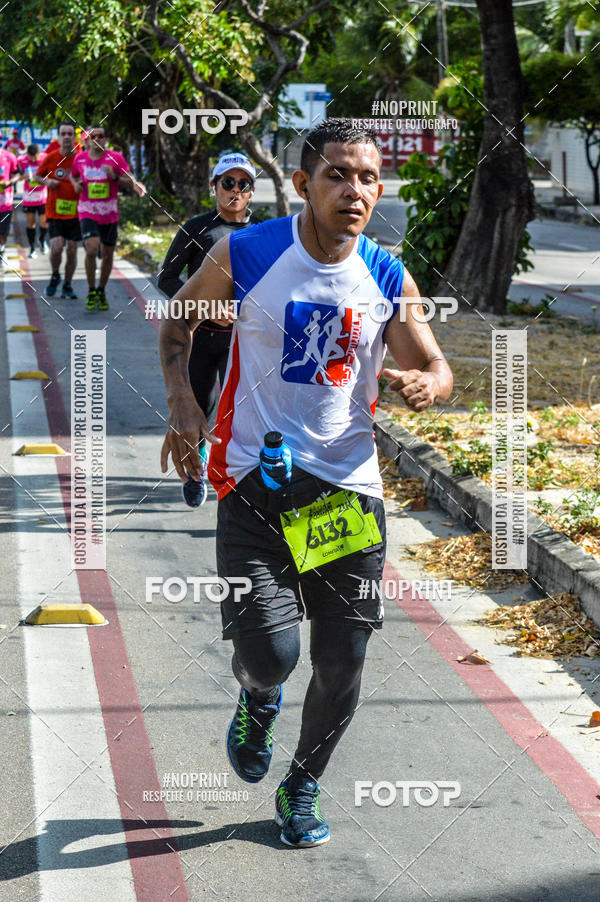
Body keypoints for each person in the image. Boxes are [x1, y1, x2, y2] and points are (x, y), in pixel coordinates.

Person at [158, 120, 454, 847]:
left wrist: (430, 382)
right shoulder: (249, 252)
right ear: (302, 184)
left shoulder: (386, 274)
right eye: (337, 175)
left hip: (347, 489)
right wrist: (184, 403)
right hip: (255, 483)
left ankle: (303, 783)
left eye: (367, 178)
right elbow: (177, 324)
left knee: (343, 661)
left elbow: (436, 363)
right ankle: (258, 696)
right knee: (272, 656)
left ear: (379, 189)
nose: (354, 190)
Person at [158, 151, 257, 507]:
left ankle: (243, 477)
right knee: (198, 409)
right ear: (214, 186)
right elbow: (166, 278)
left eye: (243, 184)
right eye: (228, 182)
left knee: (245, 411)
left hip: (242, 341)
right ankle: (195, 475)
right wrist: (205, 308)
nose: (235, 190)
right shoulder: (197, 228)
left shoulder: (260, 233)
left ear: (251, 192)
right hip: (199, 339)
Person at [70, 125, 146, 312]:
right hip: (87, 210)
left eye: (101, 136)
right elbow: (73, 176)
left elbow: (131, 180)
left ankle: (101, 290)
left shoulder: (115, 158)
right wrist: (76, 185)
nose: (97, 139)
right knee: (92, 248)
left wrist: (114, 177)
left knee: (108, 254)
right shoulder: (80, 159)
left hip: (109, 213)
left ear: (106, 139)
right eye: (92, 136)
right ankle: (91, 290)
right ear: (86, 140)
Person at [35, 122, 81, 299]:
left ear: (74, 137)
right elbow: (37, 176)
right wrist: (47, 182)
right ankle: (55, 275)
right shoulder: (51, 157)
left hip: (76, 213)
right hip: (54, 211)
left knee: (71, 249)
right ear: (59, 137)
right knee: (56, 247)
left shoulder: (81, 158)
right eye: (64, 134)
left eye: (70, 133)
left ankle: (68, 285)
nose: (67, 137)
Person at [18, 144, 48, 258]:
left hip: (43, 196)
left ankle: (42, 240)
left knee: (44, 222)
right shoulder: (22, 161)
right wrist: (23, 177)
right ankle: (32, 248)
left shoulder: (46, 158)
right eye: (31, 158)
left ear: (40, 153)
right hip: (29, 197)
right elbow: (16, 175)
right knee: (31, 223)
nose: (34, 160)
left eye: (36, 157)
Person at [0, 143, 21, 268]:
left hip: (5, 203)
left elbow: (18, 174)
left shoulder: (9, 156)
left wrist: (10, 182)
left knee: (2, 233)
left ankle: (2, 251)